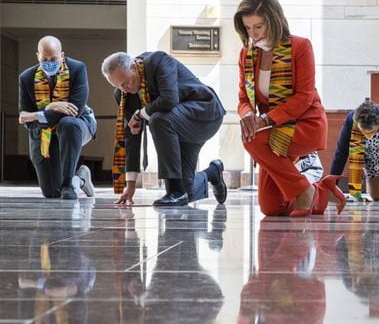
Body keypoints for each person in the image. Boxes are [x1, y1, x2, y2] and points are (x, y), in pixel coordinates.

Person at [234, 0, 344, 217]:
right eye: (247, 28)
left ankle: (304, 191)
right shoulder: (247, 54)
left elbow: (304, 97)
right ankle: (321, 193)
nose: (253, 34)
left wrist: (263, 120)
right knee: (272, 208)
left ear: (274, 21)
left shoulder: (300, 47)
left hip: (304, 125)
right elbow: (244, 99)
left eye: (259, 26)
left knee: (252, 139)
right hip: (271, 130)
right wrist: (247, 116)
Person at [102, 51, 228, 207]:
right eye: (119, 86)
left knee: (159, 119)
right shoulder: (123, 94)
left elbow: (169, 100)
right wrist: (130, 184)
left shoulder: (158, 61)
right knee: (187, 191)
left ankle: (175, 191)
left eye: (125, 82)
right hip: (175, 127)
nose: (125, 89)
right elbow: (132, 134)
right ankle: (213, 172)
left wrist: (140, 113)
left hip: (204, 114)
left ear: (133, 67)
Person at [18, 36, 96, 199]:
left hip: (78, 125)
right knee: (52, 192)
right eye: (44, 59)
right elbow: (28, 123)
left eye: (53, 59)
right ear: (37, 56)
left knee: (68, 123)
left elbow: (76, 110)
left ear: (62, 55)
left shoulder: (77, 69)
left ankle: (68, 183)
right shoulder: (26, 78)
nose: (49, 62)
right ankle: (81, 178)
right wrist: (51, 107)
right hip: (44, 134)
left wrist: (35, 115)